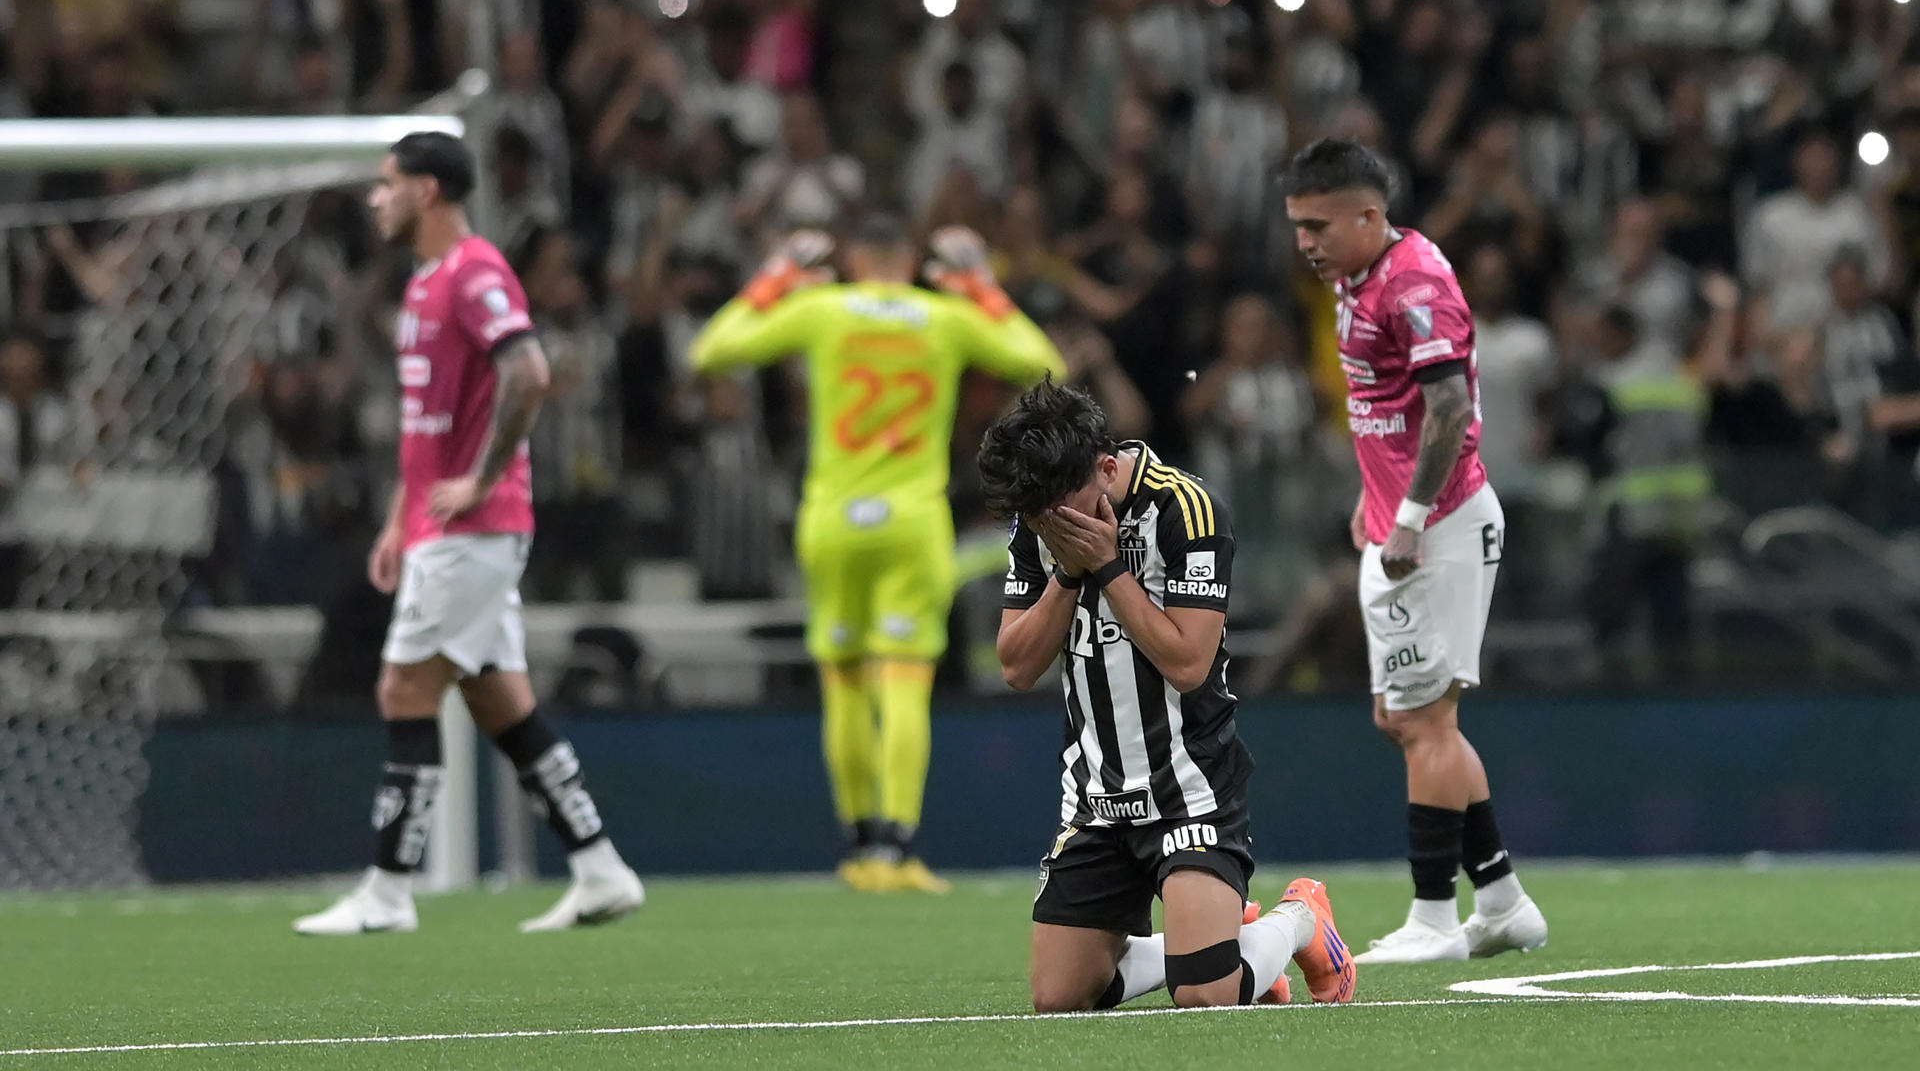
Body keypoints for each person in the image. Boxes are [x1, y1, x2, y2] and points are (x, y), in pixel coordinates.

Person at [294, 132, 643, 936]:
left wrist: (482, 479)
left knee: (403, 689)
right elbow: (424, 429)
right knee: (501, 702)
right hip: (439, 527)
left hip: (476, 527)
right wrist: (396, 519)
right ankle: (599, 870)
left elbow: (529, 372)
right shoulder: (422, 282)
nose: (377, 199)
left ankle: (387, 891)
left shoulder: (475, 270)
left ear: (428, 191)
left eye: (388, 185)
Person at [689, 217, 1065, 892]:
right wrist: (982, 285)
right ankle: (897, 848)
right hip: (911, 521)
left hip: (831, 519)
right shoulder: (943, 317)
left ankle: (858, 848)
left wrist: (775, 278)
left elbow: (711, 353)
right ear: (913, 261)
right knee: (903, 683)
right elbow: (1045, 367)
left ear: (856, 259)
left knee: (843, 684)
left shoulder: (823, 310)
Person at [979, 380, 1355, 1012]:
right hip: (1097, 797)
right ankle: (1207, 939)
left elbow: (1187, 663)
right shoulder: (1041, 519)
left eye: (1055, 508)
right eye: (1035, 514)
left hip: (1191, 787)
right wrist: (1068, 571)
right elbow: (1016, 666)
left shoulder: (1187, 509)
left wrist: (1107, 568)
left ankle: (1299, 921)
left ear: (1104, 468)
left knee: (1205, 996)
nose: (1048, 523)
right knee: (1058, 1000)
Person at [1282, 138, 1548, 963]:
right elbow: (1383, 407)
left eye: (1319, 225)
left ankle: (1435, 917)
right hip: (1404, 521)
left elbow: (1449, 411)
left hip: (1437, 527)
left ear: (1370, 214)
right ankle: (1501, 902)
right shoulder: (1354, 278)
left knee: (1423, 718)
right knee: (1405, 716)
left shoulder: (1415, 283)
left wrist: (1410, 515)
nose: (1306, 243)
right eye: (1297, 226)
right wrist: (1377, 492)